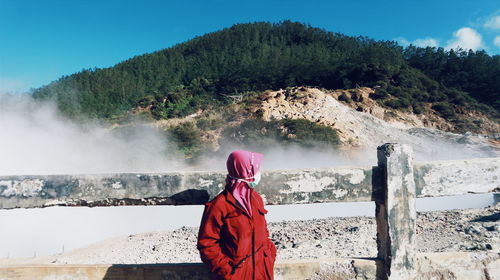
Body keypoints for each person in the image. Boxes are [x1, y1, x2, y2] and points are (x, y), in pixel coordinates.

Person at [197, 150, 277, 280]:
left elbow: (264, 231)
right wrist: (227, 272)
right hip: (237, 274)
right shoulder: (219, 205)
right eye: (255, 169)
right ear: (244, 171)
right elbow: (207, 243)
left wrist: (270, 254)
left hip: (262, 271)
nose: (258, 173)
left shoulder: (255, 198)